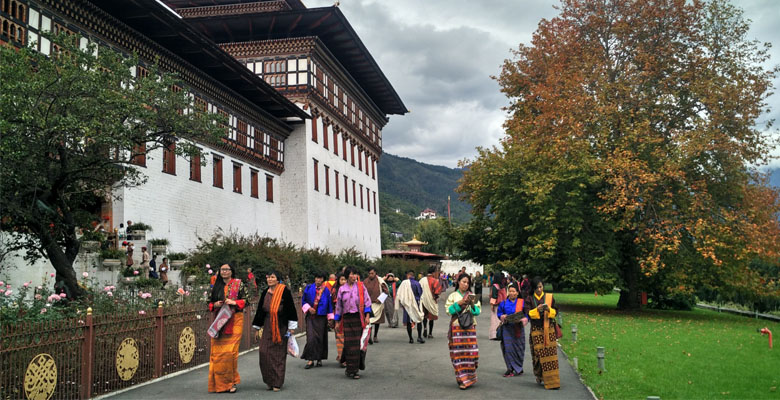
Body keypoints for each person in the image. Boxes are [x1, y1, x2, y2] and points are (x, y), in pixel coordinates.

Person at [252, 270, 298, 391]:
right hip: (267, 326)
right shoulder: (265, 292)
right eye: (268, 277)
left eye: (272, 277)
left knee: (278, 356)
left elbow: (291, 310)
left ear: (278, 279)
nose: (270, 279)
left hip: (281, 326)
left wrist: (292, 328)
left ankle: (277, 382)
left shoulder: (284, 292)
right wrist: (257, 328)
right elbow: (260, 311)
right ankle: (269, 380)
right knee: (264, 352)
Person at [207, 264, 248, 393]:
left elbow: (247, 300)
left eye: (227, 269)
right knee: (218, 354)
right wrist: (216, 304)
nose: (224, 272)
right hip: (220, 322)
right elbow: (209, 303)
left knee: (231, 353)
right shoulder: (216, 286)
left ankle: (231, 382)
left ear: (231, 271)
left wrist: (234, 302)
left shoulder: (238, 284)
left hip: (235, 319)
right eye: (222, 270)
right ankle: (219, 384)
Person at [334, 266, 372, 379]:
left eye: (355, 274)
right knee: (348, 344)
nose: (354, 276)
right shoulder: (342, 289)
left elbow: (367, 301)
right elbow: (339, 307)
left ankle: (355, 370)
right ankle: (349, 368)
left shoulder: (361, 287)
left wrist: (367, 316)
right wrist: (337, 322)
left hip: (358, 318)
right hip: (347, 319)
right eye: (351, 274)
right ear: (347, 276)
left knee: (356, 345)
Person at [445, 273, 481, 390]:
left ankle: (470, 377)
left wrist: (472, 305)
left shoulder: (472, 296)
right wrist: (458, 304)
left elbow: (477, 312)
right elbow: (448, 310)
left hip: (470, 328)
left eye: (467, 282)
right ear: (458, 282)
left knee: (472, 354)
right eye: (463, 282)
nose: (465, 284)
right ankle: (462, 380)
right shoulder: (453, 296)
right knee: (458, 355)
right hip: (456, 329)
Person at [524, 277, 560, 389]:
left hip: (548, 329)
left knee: (550, 355)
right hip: (536, 329)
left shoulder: (549, 297)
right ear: (533, 288)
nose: (539, 289)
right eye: (537, 287)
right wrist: (537, 310)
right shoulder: (529, 298)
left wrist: (549, 310)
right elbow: (527, 313)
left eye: (541, 287)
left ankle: (552, 381)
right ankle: (540, 375)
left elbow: (556, 310)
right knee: (538, 355)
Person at [301, 271, 333, 369]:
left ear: (323, 279)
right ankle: (310, 359)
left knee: (320, 338)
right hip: (311, 316)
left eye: (320, 278)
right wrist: (309, 308)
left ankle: (319, 358)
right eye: (317, 278)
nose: (318, 280)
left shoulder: (326, 291)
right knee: (311, 338)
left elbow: (329, 305)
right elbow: (303, 301)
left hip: (321, 317)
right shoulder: (308, 288)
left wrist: (330, 318)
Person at [497, 283, 529, 377]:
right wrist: (503, 317)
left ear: (517, 292)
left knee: (519, 348)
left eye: (513, 291)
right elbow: (499, 313)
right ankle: (510, 368)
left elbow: (527, 314)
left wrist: (523, 319)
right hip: (507, 328)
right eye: (510, 291)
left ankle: (519, 367)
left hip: (518, 328)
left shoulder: (522, 302)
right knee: (508, 349)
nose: (511, 293)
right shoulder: (504, 303)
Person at [396, 270, 425, 343]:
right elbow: (420, 293)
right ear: (413, 276)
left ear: (408, 275)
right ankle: (419, 337)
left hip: (407, 304)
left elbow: (400, 293)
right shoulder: (417, 283)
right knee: (419, 319)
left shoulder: (404, 283)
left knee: (408, 321)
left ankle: (411, 338)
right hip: (416, 303)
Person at [363, 267, 388, 344]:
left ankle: (375, 336)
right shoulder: (365, 281)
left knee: (377, 321)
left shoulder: (380, 281)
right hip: (368, 304)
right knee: (368, 321)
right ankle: (369, 336)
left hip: (378, 304)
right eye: (369, 273)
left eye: (372, 273)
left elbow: (386, 291)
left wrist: (380, 299)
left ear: (375, 273)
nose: (371, 275)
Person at [420, 266, 442, 339]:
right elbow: (437, 291)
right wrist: (436, 297)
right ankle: (430, 333)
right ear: (433, 272)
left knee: (424, 316)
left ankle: (425, 327)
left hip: (423, 300)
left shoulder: (422, 280)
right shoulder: (435, 281)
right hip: (431, 300)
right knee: (431, 317)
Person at [331, 273, 347, 367]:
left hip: (348, 316)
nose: (344, 281)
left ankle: (345, 357)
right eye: (342, 279)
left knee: (347, 338)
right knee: (339, 337)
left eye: (345, 279)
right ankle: (342, 357)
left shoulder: (351, 289)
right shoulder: (334, 291)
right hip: (337, 317)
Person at [489, 272, 507, 340]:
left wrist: (492, 304)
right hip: (503, 304)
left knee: (495, 319)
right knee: (501, 319)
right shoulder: (502, 286)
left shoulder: (495, 286)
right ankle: (502, 333)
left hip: (497, 304)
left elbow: (494, 296)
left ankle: (495, 334)